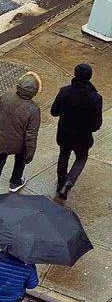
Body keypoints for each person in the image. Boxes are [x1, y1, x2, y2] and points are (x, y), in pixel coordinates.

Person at [0, 72, 41, 206]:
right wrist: (30, 153)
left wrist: (3, 128)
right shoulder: (34, 109)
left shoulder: (5, 97)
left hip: (2, 139)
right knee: (20, 159)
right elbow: (31, 135)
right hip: (19, 144)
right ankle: (15, 182)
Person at [51, 63, 103, 202]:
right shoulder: (95, 98)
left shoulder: (64, 92)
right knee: (81, 157)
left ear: (75, 74)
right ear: (90, 77)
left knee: (64, 154)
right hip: (83, 136)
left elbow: (54, 112)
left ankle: (61, 183)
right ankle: (69, 182)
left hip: (65, 132)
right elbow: (96, 124)